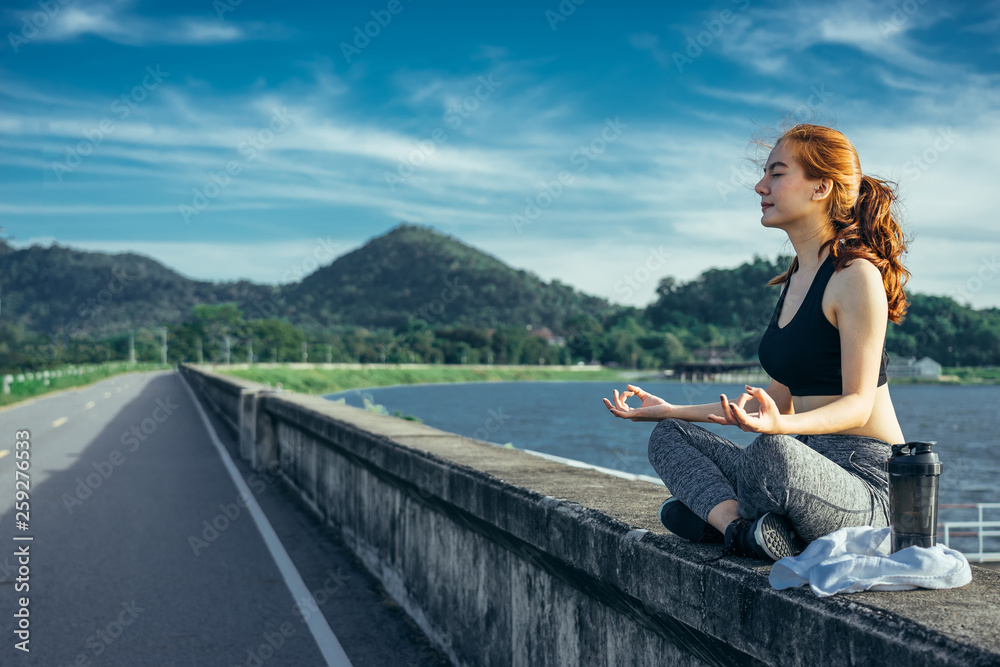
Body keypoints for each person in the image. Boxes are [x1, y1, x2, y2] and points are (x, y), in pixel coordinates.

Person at [603, 123, 910, 561]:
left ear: (821, 186)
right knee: (669, 436)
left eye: (777, 173)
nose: (760, 185)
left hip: (864, 483)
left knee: (773, 454)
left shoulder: (854, 276)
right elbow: (772, 401)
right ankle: (740, 529)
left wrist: (778, 428)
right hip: (796, 458)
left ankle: (721, 515)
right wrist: (669, 410)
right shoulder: (796, 280)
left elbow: (858, 404)